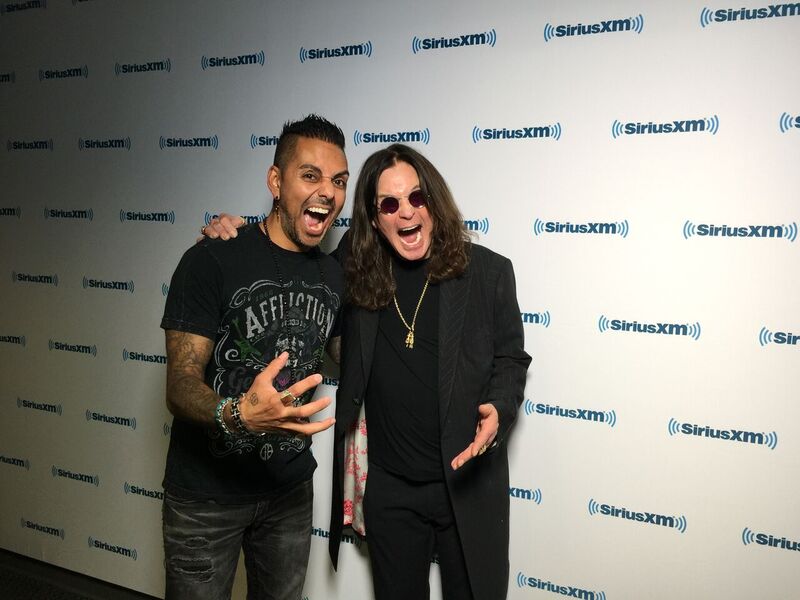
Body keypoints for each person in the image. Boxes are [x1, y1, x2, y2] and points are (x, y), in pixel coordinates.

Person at [205, 144, 530, 600]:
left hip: (468, 483)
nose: (407, 213)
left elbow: (512, 359)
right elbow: (291, 253)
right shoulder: (353, 270)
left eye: (417, 198)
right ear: (374, 219)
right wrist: (235, 233)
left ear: (434, 201)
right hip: (391, 490)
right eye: (389, 204)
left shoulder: (489, 273)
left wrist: (499, 407)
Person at [160, 114, 349, 600]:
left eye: (338, 180)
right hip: (206, 495)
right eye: (310, 175)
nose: (327, 191)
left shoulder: (333, 276)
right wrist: (238, 414)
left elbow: (355, 356)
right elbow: (180, 385)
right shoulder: (211, 258)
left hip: (289, 493)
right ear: (275, 180)